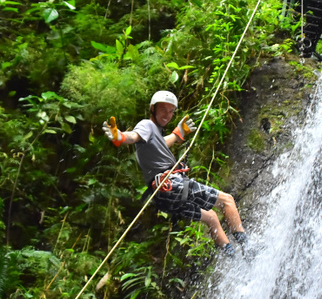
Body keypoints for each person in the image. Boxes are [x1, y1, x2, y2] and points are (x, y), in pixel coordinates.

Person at [103, 90, 247, 254]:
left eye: (171, 111)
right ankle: (247, 248)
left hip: (163, 198)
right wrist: (119, 137)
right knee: (227, 200)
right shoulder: (146, 125)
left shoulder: (154, 133)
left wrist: (178, 133)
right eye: (163, 109)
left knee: (212, 217)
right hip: (170, 184)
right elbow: (133, 136)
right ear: (153, 108)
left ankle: (233, 256)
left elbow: (161, 143)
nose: (167, 115)